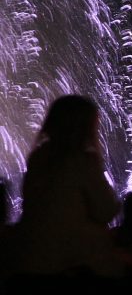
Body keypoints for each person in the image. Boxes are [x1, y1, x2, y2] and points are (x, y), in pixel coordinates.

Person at [13, 95, 120, 276]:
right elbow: (106, 210)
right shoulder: (82, 161)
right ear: (85, 128)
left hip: (32, 256)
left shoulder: (38, 157)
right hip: (71, 264)